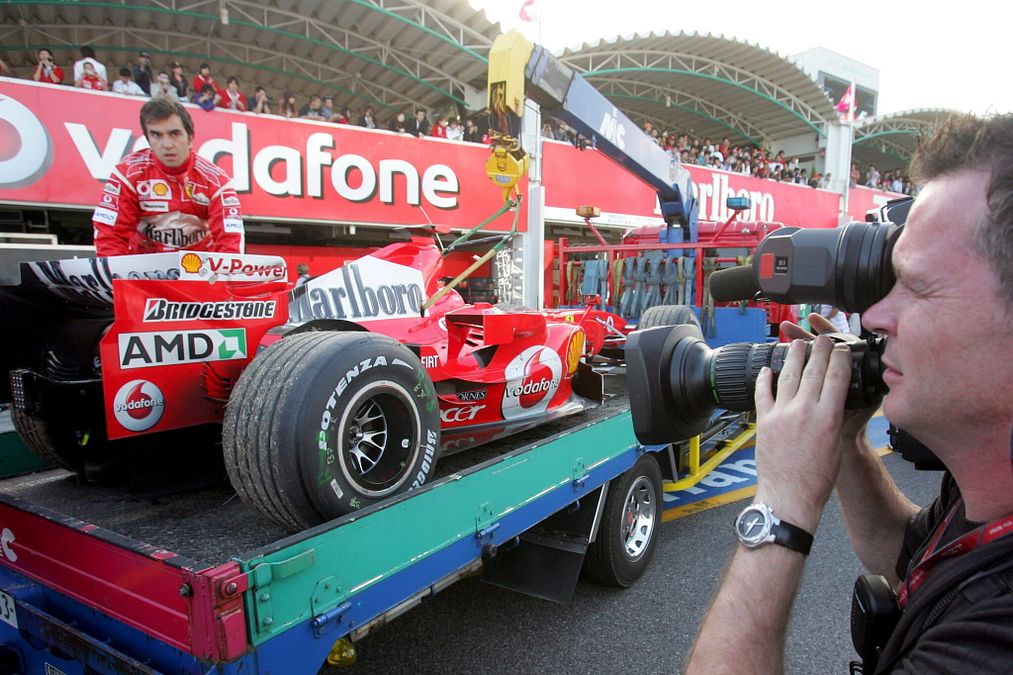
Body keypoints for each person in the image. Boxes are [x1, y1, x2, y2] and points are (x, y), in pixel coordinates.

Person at [686, 113, 1013, 673]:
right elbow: (908, 555)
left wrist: (780, 507)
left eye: (916, 286)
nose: (878, 316)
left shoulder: (991, 646)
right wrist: (847, 444)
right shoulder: (984, 491)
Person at [92, 98, 245, 256]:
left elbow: (230, 246)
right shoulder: (126, 175)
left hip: (200, 273)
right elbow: (110, 238)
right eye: (156, 135)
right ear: (148, 140)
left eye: (174, 134)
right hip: (142, 272)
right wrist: (120, 278)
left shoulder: (217, 182)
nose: (167, 144)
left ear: (190, 138)